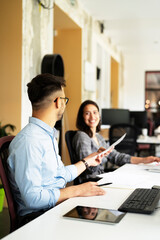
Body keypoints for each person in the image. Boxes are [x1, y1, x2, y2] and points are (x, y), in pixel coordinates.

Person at [7, 74, 111, 226]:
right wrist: (76, 190)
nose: (64, 104)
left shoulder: (46, 135)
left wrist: (88, 161)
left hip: (53, 208)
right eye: (64, 100)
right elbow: (32, 199)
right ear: (58, 102)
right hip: (38, 219)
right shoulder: (30, 141)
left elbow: (60, 174)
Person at [72, 100, 160, 183]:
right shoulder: (82, 136)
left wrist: (144, 160)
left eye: (95, 112)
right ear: (82, 117)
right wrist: (99, 156)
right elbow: (88, 169)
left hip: (101, 178)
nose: (92, 117)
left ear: (99, 115)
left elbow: (117, 157)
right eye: (87, 113)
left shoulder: (98, 137)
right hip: (91, 182)